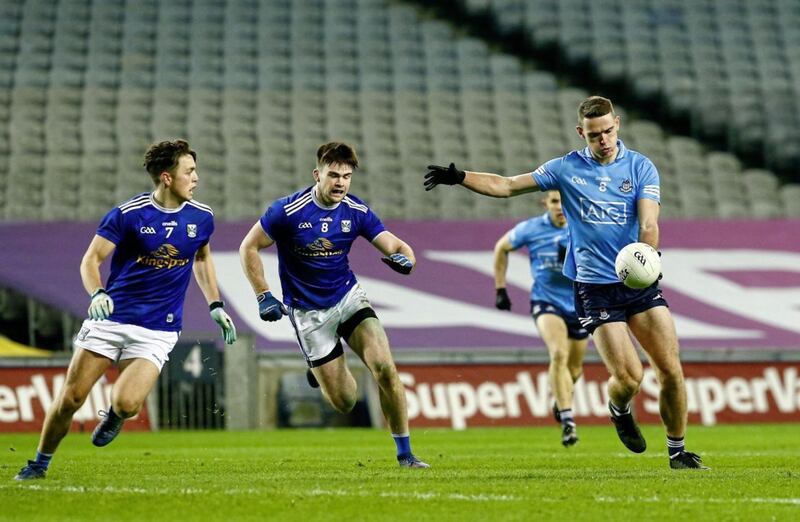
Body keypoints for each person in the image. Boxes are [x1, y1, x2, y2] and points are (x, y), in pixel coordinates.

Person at [424, 96, 707, 470]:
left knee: (670, 369)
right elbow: (508, 185)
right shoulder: (565, 168)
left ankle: (677, 451)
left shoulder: (641, 167)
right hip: (594, 287)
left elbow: (649, 223)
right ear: (581, 133)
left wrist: (646, 258)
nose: (603, 139)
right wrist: (461, 178)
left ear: (617, 124)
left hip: (638, 281)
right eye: (594, 135)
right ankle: (619, 408)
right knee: (629, 377)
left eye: (608, 131)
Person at [14, 139, 237, 480]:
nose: (196, 178)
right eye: (189, 171)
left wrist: (216, 304)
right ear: (166, 177)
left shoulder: (202, 217)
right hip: (112, 320)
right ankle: (39, 463)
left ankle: (115, 416)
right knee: (72, 399)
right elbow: (91, 259)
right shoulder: (128, 215)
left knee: (128, 404)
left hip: (158, 329)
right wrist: (97, 293)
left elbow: (202, 258)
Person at [239, 141, 428, 468]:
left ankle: (406, 454)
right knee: (345, 401)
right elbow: (248, 247)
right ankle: (317, 370)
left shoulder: (356, 211)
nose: (341, 182)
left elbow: (395, 244)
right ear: (317, 174)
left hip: (348, 298)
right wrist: (263, 294)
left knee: (385, 367)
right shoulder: (287, 211)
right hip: (309, 312)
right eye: (334, 175)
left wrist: (406, 260)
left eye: (347, 176)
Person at [493, 190, 589, 447]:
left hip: (580, 304)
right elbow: (501, 247)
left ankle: (560, 400)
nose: (560, 207)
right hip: (546, 301)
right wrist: (500, 288)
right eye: (555, 201)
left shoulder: (585, 227)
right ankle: (569, 421)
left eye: (565, 201)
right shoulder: (531, 228)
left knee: (576, 369)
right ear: (545, 202)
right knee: (558, 353)